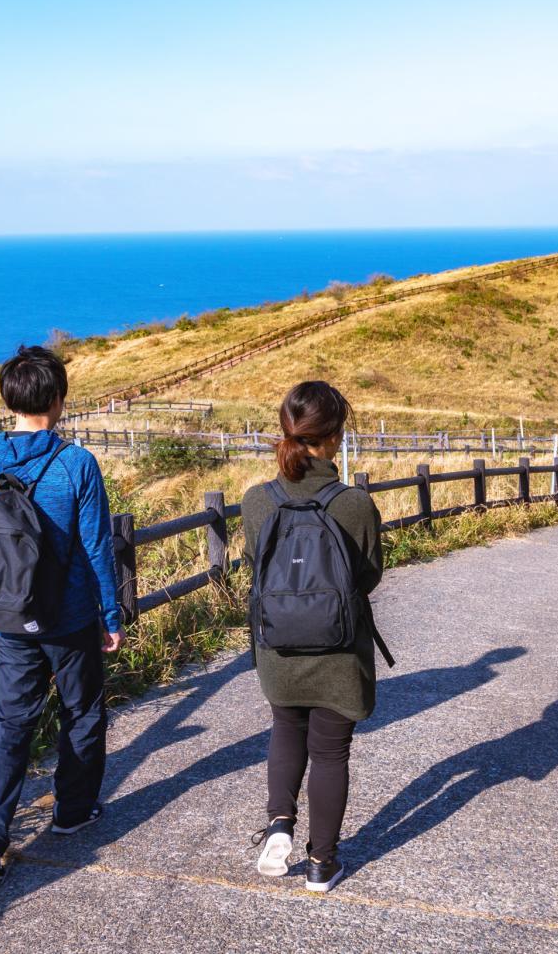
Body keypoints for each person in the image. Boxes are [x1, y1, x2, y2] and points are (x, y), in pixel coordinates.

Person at [0, 345, 125, 884]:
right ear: (57, 399)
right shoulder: (76, 463)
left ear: (8, 398)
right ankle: (73, 811)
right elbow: (97, 547)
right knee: (81, 711)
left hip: (8, 613)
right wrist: (110, 615)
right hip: (71, 615)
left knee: (7, 722)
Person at [241, 380, 384, 893]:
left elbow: (254, 568)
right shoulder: (353, 504)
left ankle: (280, 823)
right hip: (339, 652)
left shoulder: (257, 501)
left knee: (285, 728)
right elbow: (367, 578)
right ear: (333, 437)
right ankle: (322, 863)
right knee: (329, 753)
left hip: (278, 648)